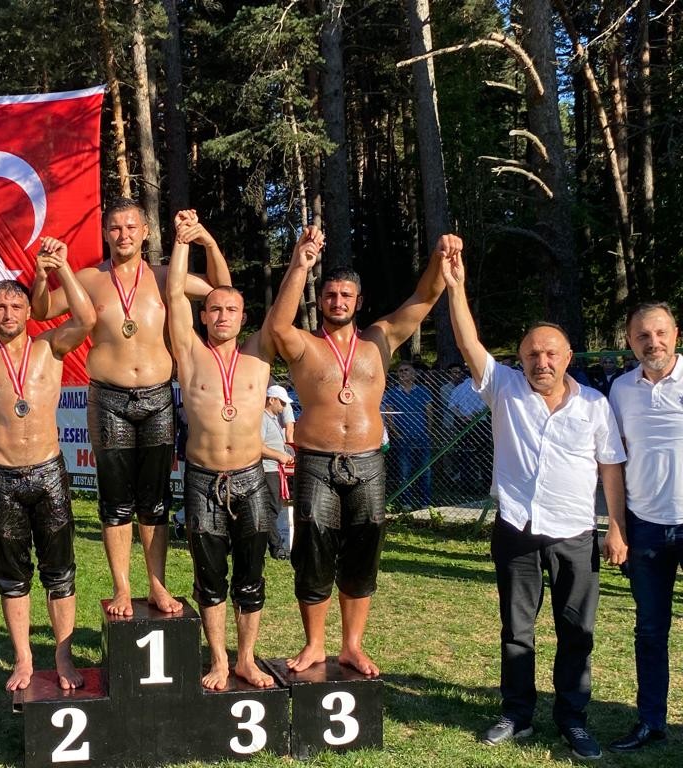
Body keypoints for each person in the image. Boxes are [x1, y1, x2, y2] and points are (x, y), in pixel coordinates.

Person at [443, 249, 626, 760]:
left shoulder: (594, 405)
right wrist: (456, 287)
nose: (540, 362)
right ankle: (517, 714)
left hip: (575, 534)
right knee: (517, 631)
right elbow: (469, 343)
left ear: (568, 358)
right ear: (519, 359)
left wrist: (616, 526)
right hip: (516, 530)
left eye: (550, 354)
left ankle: (573, 720)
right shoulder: (503, 389)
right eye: (531, 354)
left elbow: (611, 466)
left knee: (577, 632)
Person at [267, 225, 458, 677]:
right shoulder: (304, 345)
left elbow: (425, 297)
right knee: (314, 549)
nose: (338, 301)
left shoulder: (380, 339)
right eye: (331, 295)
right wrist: (300, 265)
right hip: (317, 459)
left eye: (346, 295)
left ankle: (352, 645)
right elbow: (276, 326)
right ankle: (315, 643)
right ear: (321, 301)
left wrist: (439, 257)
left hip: (368, 461)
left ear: (359, 301)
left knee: (364, 549)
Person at [31, 197, 230, 617]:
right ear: (106, 233)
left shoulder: (164, 276)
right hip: (109, 398)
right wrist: (41, 274)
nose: (123, 235)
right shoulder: (89, 278)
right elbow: (43, 310)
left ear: (145, 233)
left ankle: (157, 585)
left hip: (157, 397)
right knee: (116, 501)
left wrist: (207, 243)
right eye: (115, 228)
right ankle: (122, 588)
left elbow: (220, 290)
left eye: (131, 227)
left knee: (155, 501)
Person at [0, 238, 94, 692]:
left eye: (15, 306)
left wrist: (62, 268)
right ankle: (24, 658)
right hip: (4, 475)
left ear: (29, 311)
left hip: (48, 471)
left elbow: (87, 319)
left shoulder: (50, 346)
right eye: (0, 307)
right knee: (11, 575)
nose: (8, 313)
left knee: (60, 571)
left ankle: (62, 655)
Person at [166, 210, 277, 690]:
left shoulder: (260, 354)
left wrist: (208, 237)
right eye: (213, 309)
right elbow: (174, 293)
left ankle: (246, 659)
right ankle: (217, 660)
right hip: (203, 479)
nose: (222, 316)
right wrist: (182, 239)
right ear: (203, 315)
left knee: (251, 575)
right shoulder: (190, 354)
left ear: (243, 317)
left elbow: (282, 309)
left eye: (231, 309)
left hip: (250, 478)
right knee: (209, 577)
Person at [607, 302, 682, 752]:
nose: (652, 342)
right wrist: (616, 526)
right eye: (642, 336)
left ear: (675, 334)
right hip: (646, 528)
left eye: (660, 333)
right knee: (651, 632)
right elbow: (613, 462)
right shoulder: (620, 390)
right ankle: (651, 721)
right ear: (630, 342)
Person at [382, 362, 434, 509]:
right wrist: (396, 433)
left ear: (414, 374)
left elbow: (429, 411)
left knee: (425, 470)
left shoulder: (423, 390)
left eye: (406, 370)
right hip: (403, 437)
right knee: (405, 471)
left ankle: (425, 502)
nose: (403, 373)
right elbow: (389, 414)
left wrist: (428, 430)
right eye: (400, 371)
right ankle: (406, 502)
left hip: (422, 435)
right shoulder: (392, 393)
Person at [262, 385, 294, 560]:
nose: (284, 407)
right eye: (281, 402)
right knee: (271, 508)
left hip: (274, 469)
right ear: (271, 400)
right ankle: (276, 547)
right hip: (267, 469)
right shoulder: (263, 419)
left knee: (273, 507)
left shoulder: (273, 419)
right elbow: (257, 446)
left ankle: (269, 543)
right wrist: (279, 455)